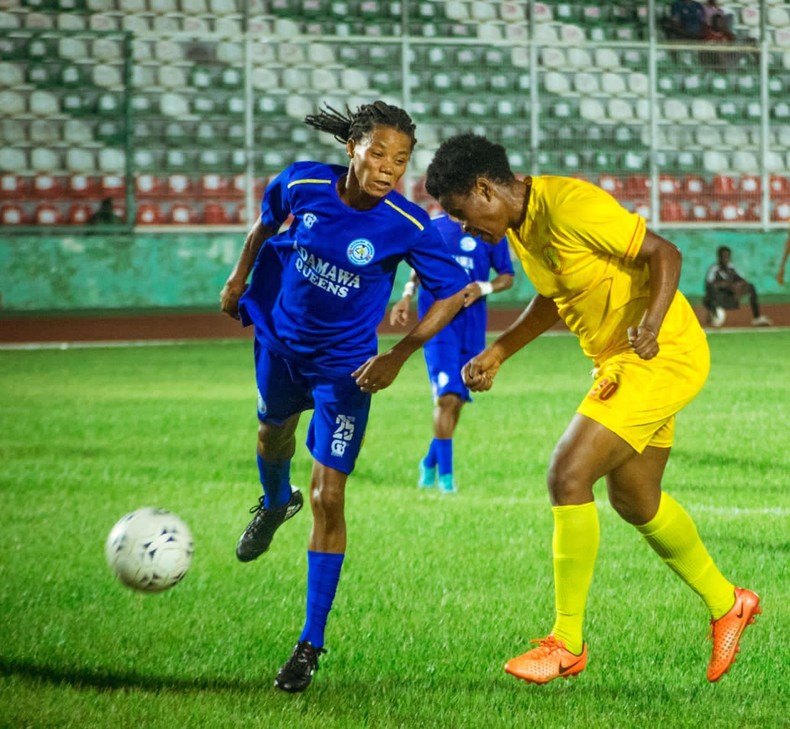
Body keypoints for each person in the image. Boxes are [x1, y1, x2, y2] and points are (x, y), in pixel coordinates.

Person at [424, 133, 761, 686]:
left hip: (659, 352)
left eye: (462, 213)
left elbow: (663, 253)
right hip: (621, 360)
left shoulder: (568, 206)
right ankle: (730, 604)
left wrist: (649, 327)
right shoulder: (520, 226)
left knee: (567, 473)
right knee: (636, 499)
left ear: (485, 189)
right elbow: (555, 297)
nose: (463, 226)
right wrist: (501, 349)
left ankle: (567, 642)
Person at [220, 102, 469, 693]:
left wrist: (397, 356)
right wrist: (237, 279)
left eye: (401, 160)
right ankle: (275, 503)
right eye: (378, 153)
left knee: (329, 495)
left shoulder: (407, 225)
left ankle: (309, 643)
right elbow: (264, 224)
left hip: (347, 373)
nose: (388, 168)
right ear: (352, 147)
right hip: (281, 344)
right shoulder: (304, 182)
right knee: (270, 433)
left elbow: (453, 294)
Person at [389, 214, 514, 494]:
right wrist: (407, 295)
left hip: (472, 328)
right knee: (447, 397)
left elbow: (507, 276)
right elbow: (419, 267)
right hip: (437, 326)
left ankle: (429, 461)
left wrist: (484, 286)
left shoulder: (489, 227)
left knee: (456, 401)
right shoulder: (434, 227)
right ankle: (446, 479)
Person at [703, 246, 772, 327]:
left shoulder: (732, 268)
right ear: (719, 257)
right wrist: (725, 285)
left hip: (731, 295)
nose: (726, 258)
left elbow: (743, 280)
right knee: (709, 296)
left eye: (727, 256)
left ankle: (757, 318)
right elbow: (709, 285)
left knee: (750, 287)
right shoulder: (714, 269)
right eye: (723, 256)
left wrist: (738, 287)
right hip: (719, 297)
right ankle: (712, 314)